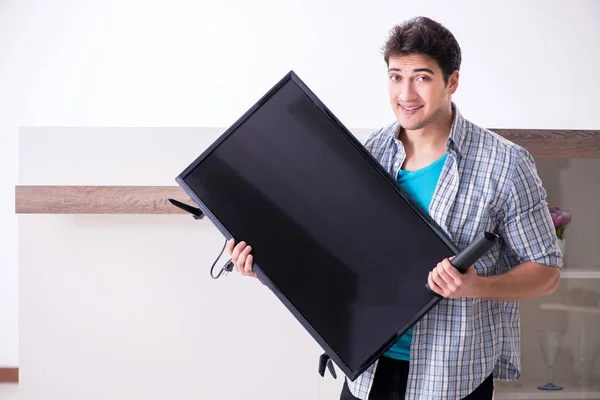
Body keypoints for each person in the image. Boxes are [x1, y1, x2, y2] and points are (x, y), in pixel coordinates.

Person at [226, 16, 562, 400]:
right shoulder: (369, 153)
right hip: (367, 374)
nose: (406, 93)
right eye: (395, 76)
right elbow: (341, 260)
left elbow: (547, 272)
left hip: (451, 379)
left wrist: (475, 286)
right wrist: (269, 269)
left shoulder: (506, 164)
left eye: (421, 77)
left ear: (451, 81)